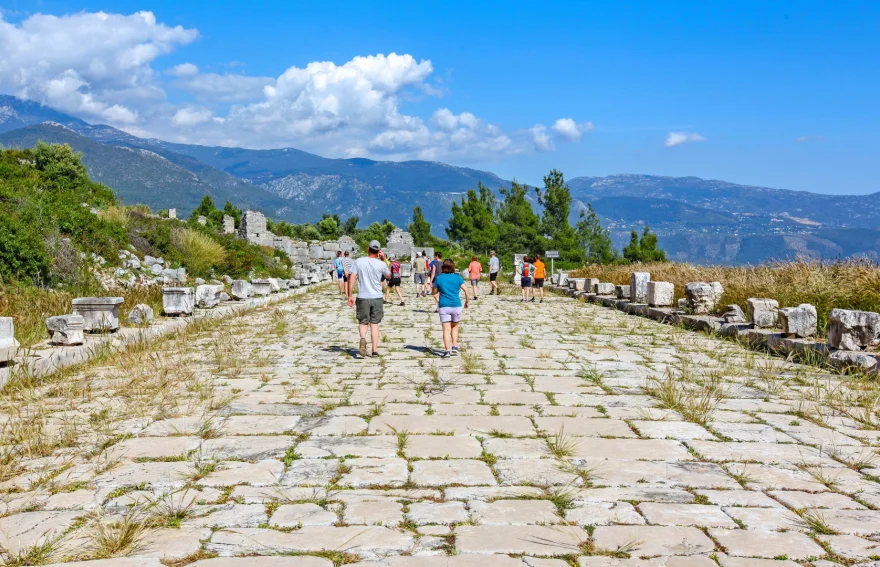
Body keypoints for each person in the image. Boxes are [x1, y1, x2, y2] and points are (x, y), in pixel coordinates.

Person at [347, 240, 391, 358]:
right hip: (376, 297)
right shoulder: (381, 264)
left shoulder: (359, 261)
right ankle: (375, 350)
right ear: (378, 252)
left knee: (363, 322)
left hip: (363, 296)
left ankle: (362, 339)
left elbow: (351, 279)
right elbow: (389, 275)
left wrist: (350, 295)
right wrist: (384, 260)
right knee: (375, 324)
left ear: (368, 249)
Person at [432, 259, 470, 358]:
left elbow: (434, 292)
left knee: (446, 329)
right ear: (453, 267)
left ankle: (447, 351)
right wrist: (467, 301)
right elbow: (466, 290)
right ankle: (454, 346)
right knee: (454, 327)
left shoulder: (439, 278)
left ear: (443, 267)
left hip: (444, 306)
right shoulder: (458, 278)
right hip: (456, 305)